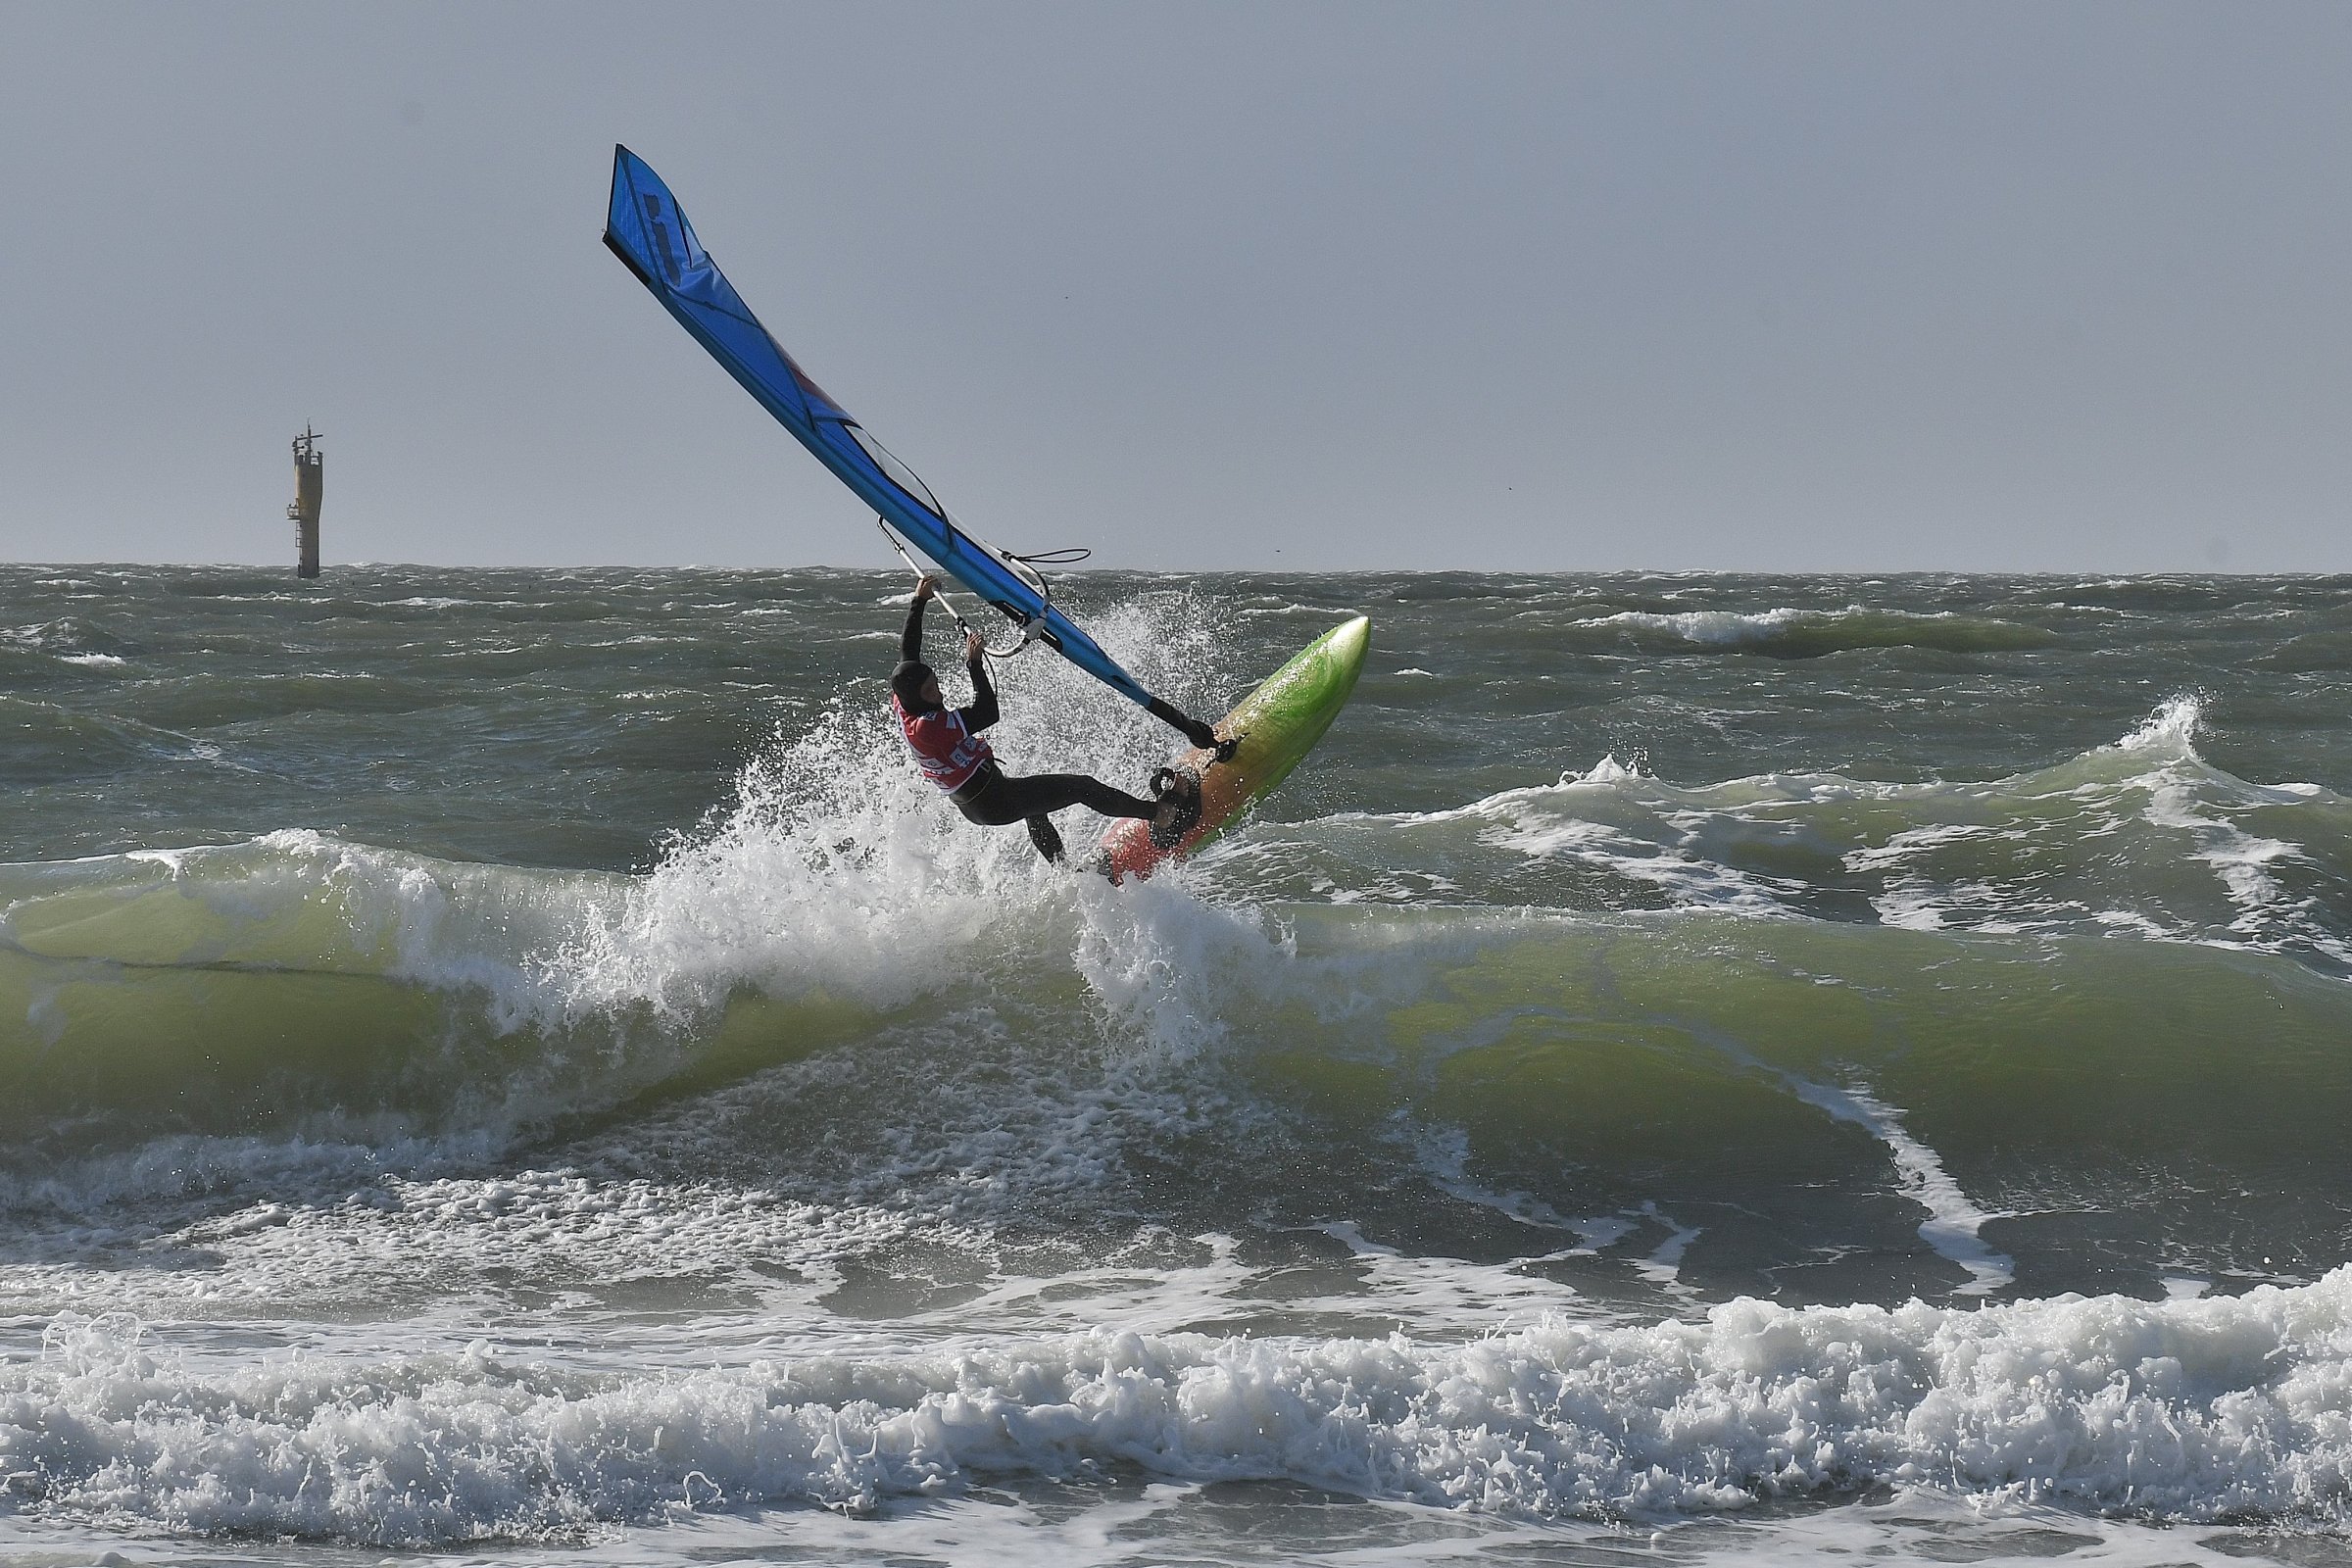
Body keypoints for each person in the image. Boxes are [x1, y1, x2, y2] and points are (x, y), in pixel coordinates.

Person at [891, 576, 1198, 863]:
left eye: (935, 683)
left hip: (979, 801)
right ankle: (1161, 814)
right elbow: (988, 713)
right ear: (917, 697)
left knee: (1035, 809)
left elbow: (908, 652)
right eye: (931, 691)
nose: (939, 692)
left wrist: (919, 599)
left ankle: (1066, 871)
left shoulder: (904, 702)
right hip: (991, 799)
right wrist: (974, 665)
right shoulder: (928, 727)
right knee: (1082, 788)